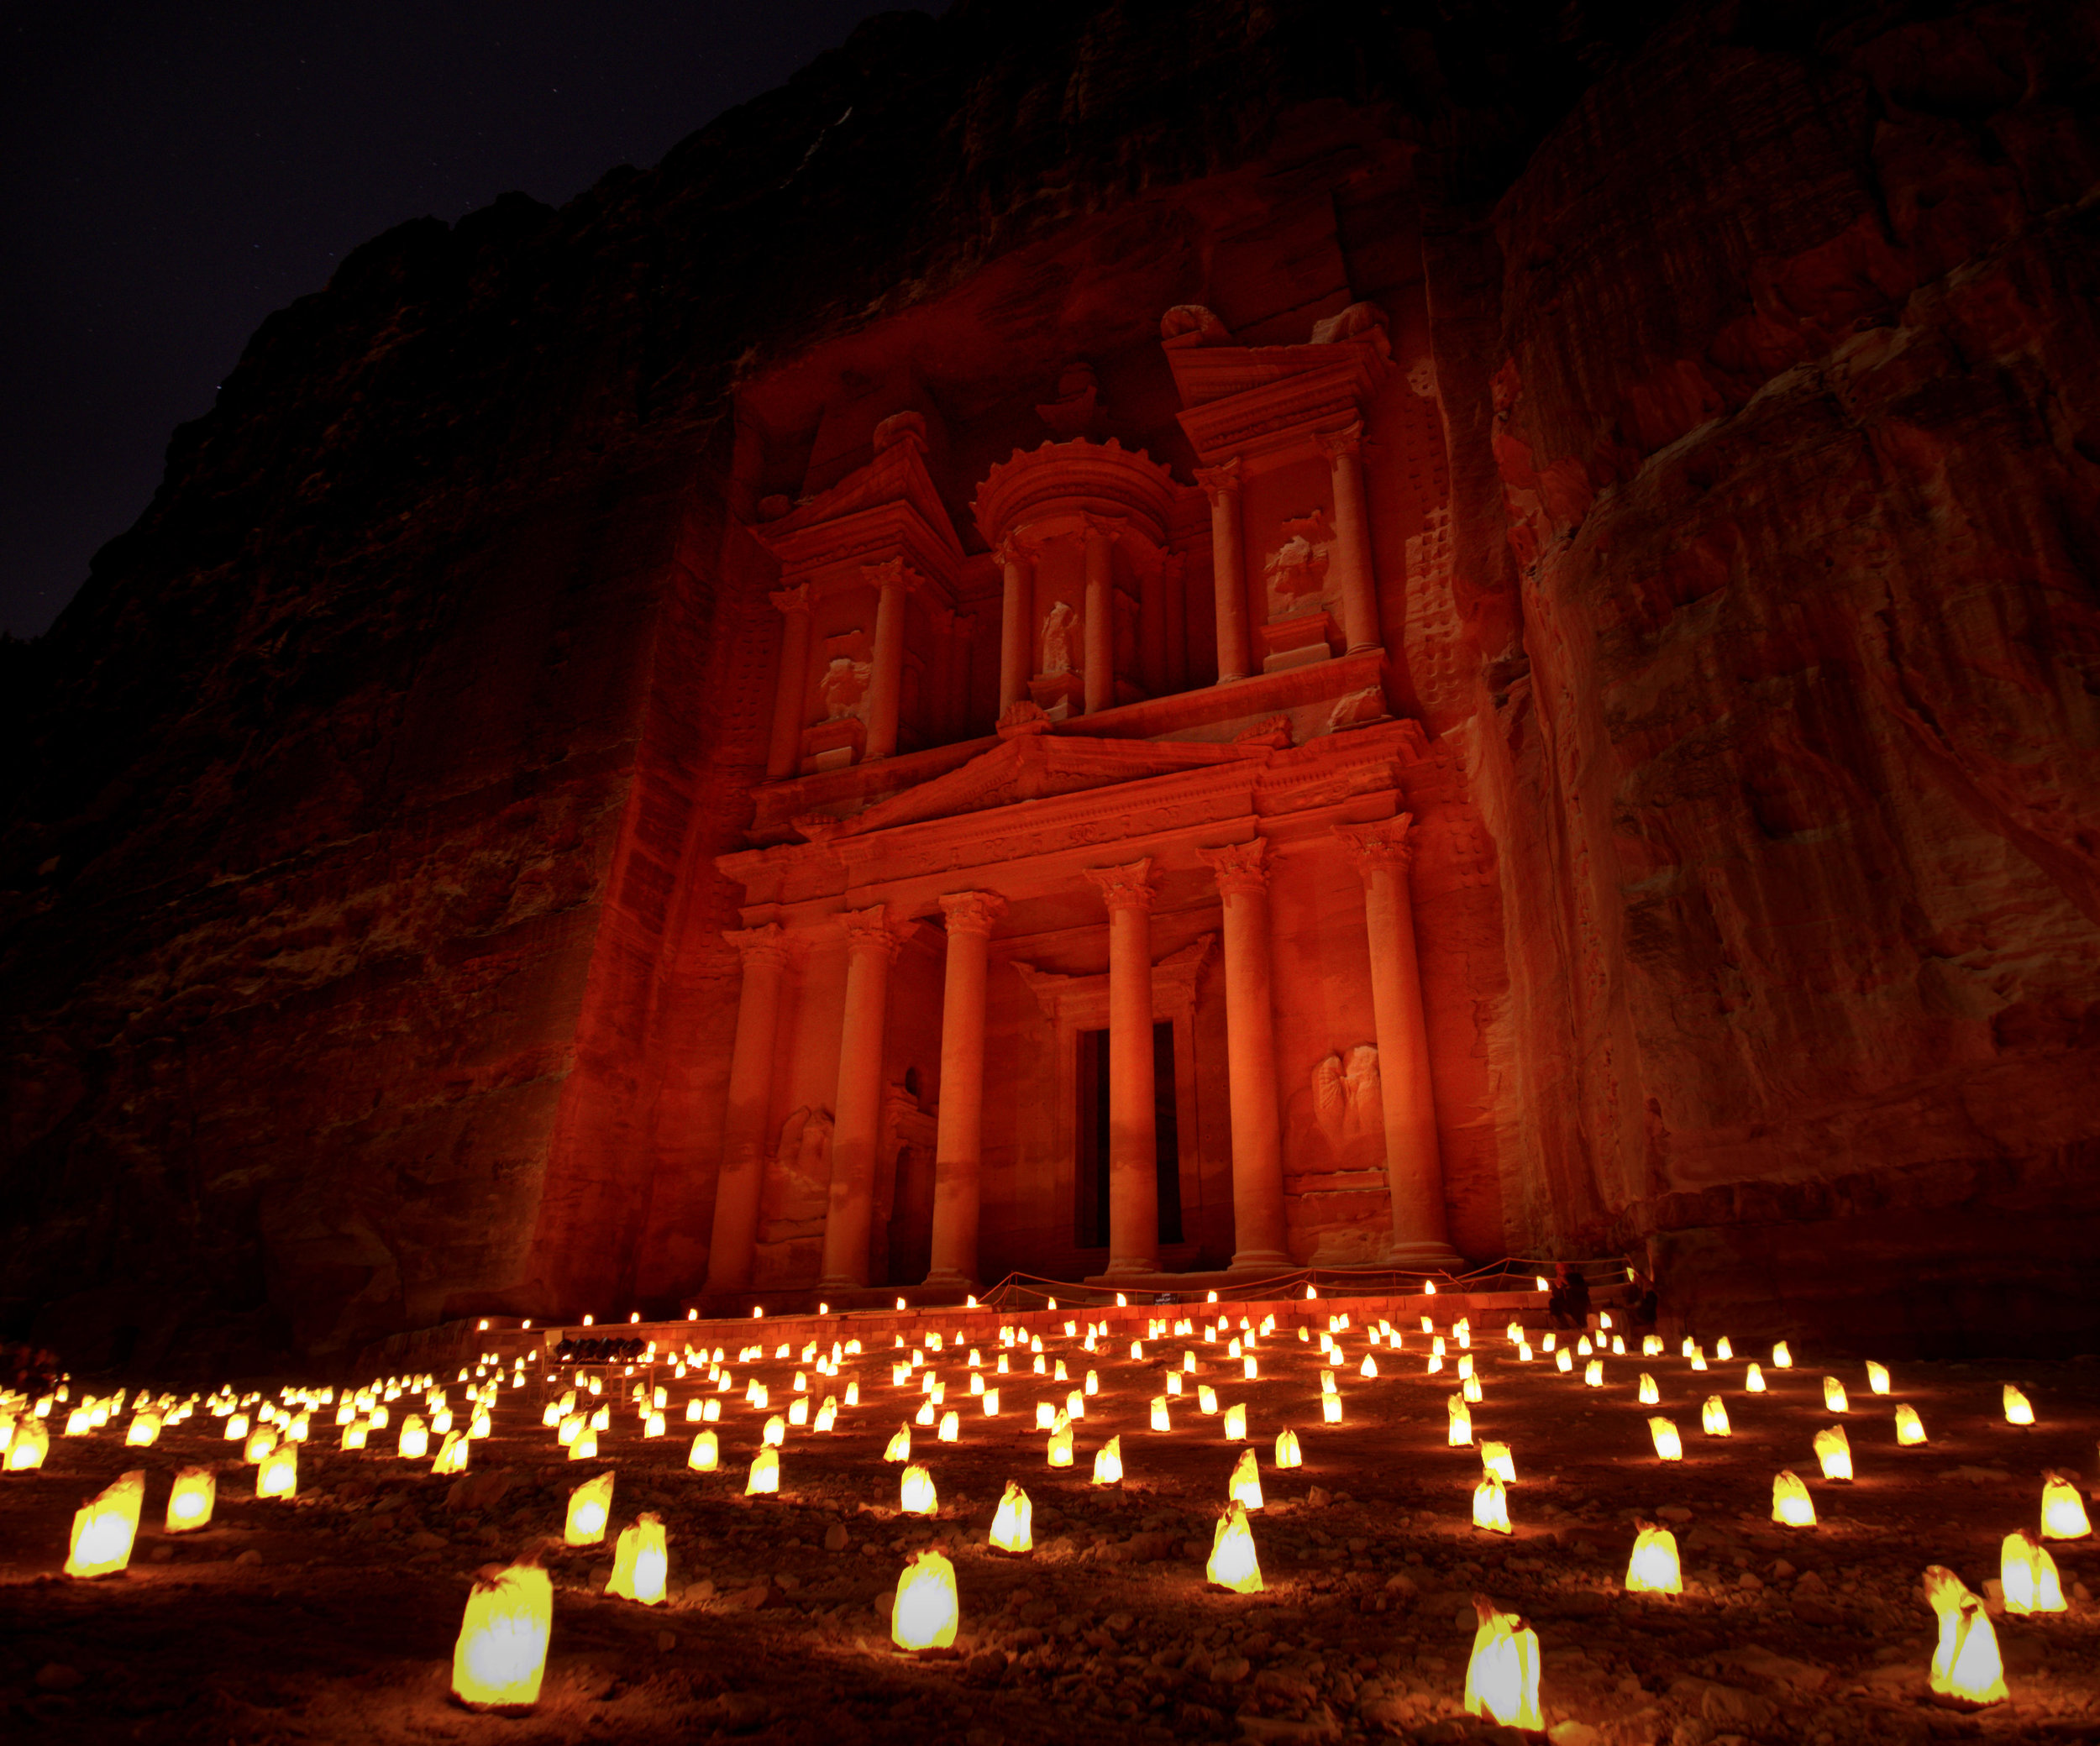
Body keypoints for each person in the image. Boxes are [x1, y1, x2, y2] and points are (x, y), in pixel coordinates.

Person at [1546, 1261, 1590, 1329]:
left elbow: (1583, 1289)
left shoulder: (1576, 1277)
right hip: (1567, 1302)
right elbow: (1557, 1295)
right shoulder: (1557, 1280)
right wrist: (1558, 1286)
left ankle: (1579, 1324)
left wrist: (1568, 1284)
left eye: (1564, 1269)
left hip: (1579, 1300)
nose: (1563, 1271)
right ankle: (1561, 1324)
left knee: (1576, 1305)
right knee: (1553, 1302)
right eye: (1560, 1270)